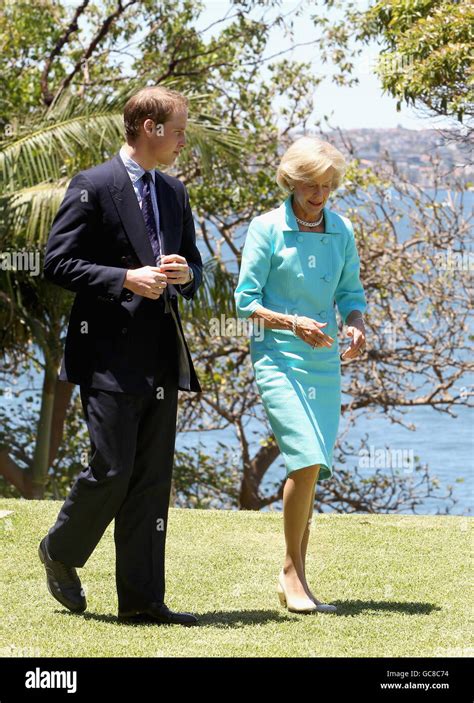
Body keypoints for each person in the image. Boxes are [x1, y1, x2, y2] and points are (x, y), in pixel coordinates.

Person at [40, 86, 202, 626]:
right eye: (178, 128)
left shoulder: (176, 193)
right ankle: (60, 550)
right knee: (112, 467)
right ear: (151, 128)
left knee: (151, 479)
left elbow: (197, 272)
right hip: (106, 354)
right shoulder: (94, 185)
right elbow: (56, 263)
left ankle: (142, 603)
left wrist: (184, 275)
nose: (183, 138)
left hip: (159, 355)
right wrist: (122, 278)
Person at [234, 136, 367, 614]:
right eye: (311, 184)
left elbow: (352, 294)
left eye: (328, 185)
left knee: (309, 471)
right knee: (305, 457)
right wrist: (292, 322)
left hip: (324, 361)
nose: (320, 194)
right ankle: (291, 574)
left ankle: (298, 576)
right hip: (278, 357)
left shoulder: (342, 231)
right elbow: (245, 301)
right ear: (291, 180)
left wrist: (354, 326)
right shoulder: (266, 228)